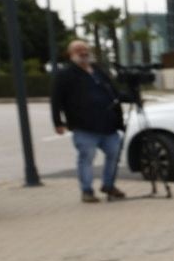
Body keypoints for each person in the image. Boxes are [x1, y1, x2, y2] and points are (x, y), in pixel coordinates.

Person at [51, 40, 126, 203]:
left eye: (85, 49)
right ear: (71, 54)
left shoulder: (99, 70)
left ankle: (109, 185)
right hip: (84, 126)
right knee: (87, 158)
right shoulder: (65, 74)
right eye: (78, 49)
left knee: (114, 154)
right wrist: (58, 122)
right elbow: (56, 99)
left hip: (108, 124)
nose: (83, 52)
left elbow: (113, 92)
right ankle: (87, 191)